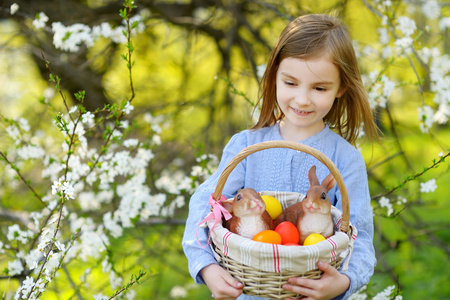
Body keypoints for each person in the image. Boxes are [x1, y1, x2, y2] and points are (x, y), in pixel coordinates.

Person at [182, 13, 380, 300]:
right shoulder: (246, 145)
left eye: (319, 88)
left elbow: (359, 235)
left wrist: (344, 282)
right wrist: (207, 267)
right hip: (249, 292)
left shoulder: (344, 158)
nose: (302, 99)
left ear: (341, 88)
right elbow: (205, 204)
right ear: (274, 75)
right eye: (291, 83)